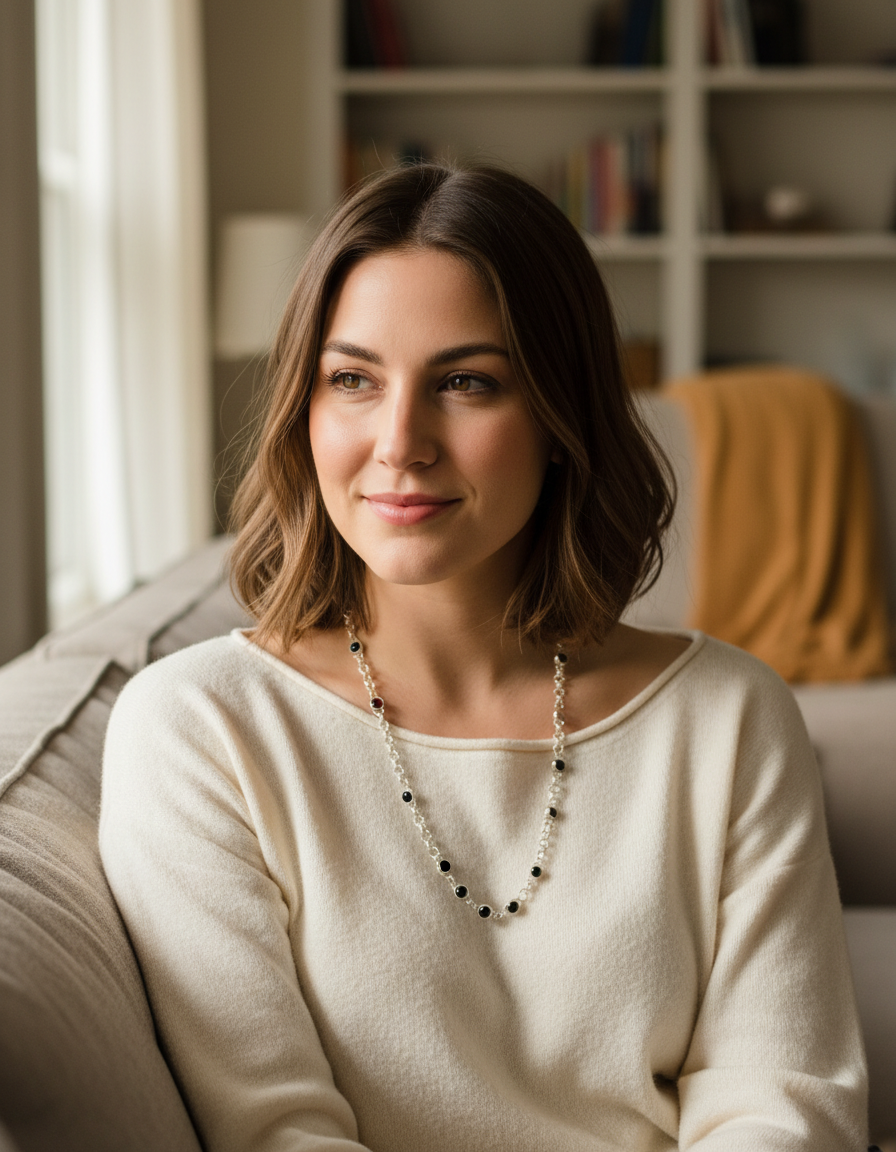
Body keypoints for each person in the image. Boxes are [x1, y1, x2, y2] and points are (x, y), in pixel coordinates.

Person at [99, 163, 868, 1151]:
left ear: (560, 419)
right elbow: (274, 1130)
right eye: (352, 380)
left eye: (465, 382)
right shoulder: (199, 727)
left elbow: (781, 1103)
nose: (400, 442)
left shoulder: (725, 714)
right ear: (303, 409)